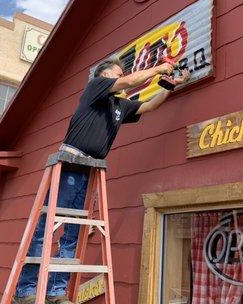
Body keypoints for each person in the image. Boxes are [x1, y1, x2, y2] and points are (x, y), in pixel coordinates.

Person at [13, 57, 190, 304]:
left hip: (90, 170)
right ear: (106, 76)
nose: (123, 78)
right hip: (70, 163)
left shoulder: (119, 106)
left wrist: (170, 84)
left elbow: (150, 107)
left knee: (74, 232)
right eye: (118, 74)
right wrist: (159, 68)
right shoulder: (95, 87)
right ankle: (25, 291)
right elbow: (129, 80)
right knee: (47, 227)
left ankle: (56, 292)